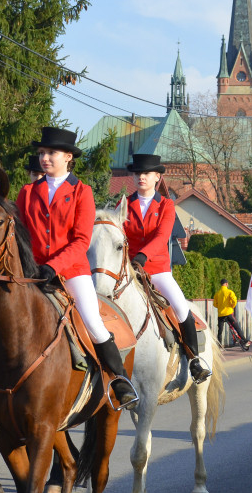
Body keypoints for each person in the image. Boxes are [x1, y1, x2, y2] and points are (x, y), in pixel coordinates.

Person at [16, 126, 138, 410]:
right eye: (42, 153)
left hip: (71, 271)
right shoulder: (27, 192)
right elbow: (21, 235)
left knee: (93, 323)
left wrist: (53, 267)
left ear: (68, 157)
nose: (45, 158)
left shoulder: (82, 192)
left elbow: (81, 241)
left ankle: (120, 380)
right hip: (32, 272)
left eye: (52, 153)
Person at [122, 153, 210, 384]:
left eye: (146, 173)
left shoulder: (166, 205)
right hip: (129, 269)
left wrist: (142, 256)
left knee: (181, 309)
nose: (141, 177)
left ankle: (194, 360)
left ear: (157, 177)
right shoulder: (124, 204)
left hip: (158, 270)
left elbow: (162, 237)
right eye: (137, 173)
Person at [213, 278, 251, 349]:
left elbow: (215, 304)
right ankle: (245, 340)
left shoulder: (217, 294)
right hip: (229, 313)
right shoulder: (229, 292)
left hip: (221, 314)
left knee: (220, 331)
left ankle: (219, 346)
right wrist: (232, 306)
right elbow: (234, 300)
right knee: (237, 327)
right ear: (226, 284)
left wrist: (220, 306)